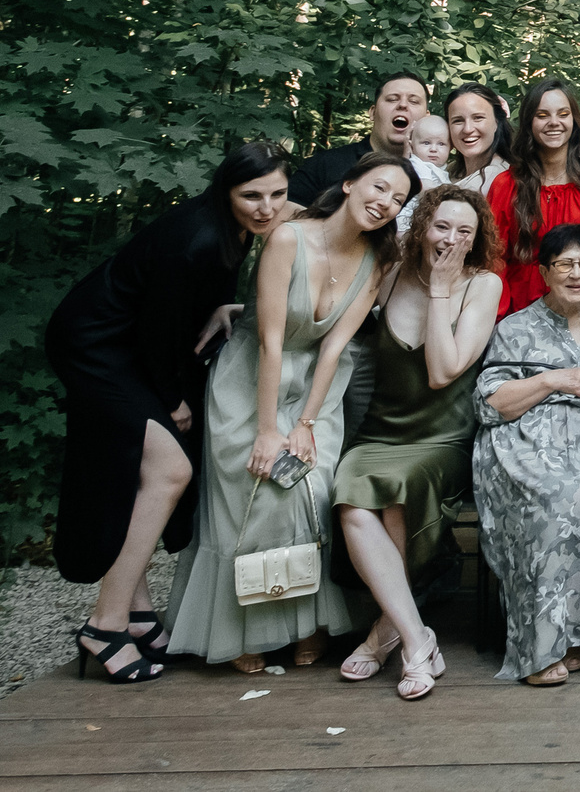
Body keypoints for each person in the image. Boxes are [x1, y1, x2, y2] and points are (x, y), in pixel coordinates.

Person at [48, 143, 296, 683]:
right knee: (170, 470)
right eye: (251, 195)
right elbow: (157, 328)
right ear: (224, 190)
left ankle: (136, 613)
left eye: (277, 194)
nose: (266, 208)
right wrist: (172, 402)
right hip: (96, 345)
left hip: (131, 346)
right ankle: (104, 624)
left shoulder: (239, 224)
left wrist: (229, 307)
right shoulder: (198, 237)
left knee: (146, 473)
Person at [166, 150, 413, 672]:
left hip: (318, 387)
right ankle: (243, 630)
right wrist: (266, 430)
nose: (386, 202)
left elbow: (333, 347)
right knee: (254, 492)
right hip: (252, 377)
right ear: (349, 184)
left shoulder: (378, 258)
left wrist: (304, 425)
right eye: (379, 187)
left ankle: (308, 624)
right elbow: (272, 341)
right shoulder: (287, 238)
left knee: (311, 489)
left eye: (398, 198)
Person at [332, 186, 503, 700]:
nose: (451, 239)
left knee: (399, 492)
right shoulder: (386, 275)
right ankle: (414, 635)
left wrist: (441, 289)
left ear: (476, 241)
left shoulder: (482, 285)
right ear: (422, 226)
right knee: (352, 495)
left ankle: (386, 632)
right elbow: (328, 311)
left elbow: (442, 372)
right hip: (382, 430)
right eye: (442, 226)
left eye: (464, 231)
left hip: (442, 436)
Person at [472, 222, 580, 686]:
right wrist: (551, 379)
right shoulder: (515, 328)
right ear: (545, 272)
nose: (575, 273)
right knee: (553, 500)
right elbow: (491, 403)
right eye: (563, 264)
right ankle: (541, 647)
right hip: (524, 443)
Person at [487, 77, 580, 317]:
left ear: (574, 120)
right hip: (522, 312)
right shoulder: (507, 185)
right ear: (529, 121)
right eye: (542, 115)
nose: (553, 123)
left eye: (563, 114)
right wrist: (501, 319)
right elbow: (494, 259)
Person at [290, 73, 431, 206]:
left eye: (414, 101)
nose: (403, 105)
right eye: (392, 99)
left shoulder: (438, 175)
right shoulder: (324, 165)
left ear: (427, 118)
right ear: (372, 112)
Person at [442, 84, 512, 196]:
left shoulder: (501, 178)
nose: (468, 129)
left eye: (478, 118)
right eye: (458, 120)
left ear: (497, 122)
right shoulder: (449, 170)